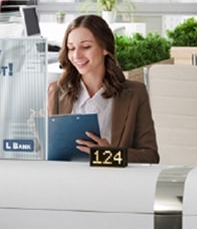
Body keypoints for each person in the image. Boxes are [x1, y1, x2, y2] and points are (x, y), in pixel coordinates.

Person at [48, 14, 159, 164]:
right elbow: (49, 154)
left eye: (86, 47)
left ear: (105, 47)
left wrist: (109, 154)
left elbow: (150, 156)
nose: (76, 55)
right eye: (71, 48)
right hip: (68, 177)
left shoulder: (135, 94)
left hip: (112, 178)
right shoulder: (57, 92)